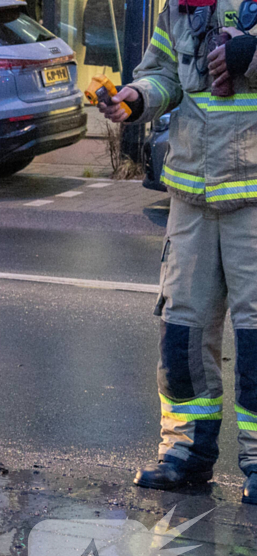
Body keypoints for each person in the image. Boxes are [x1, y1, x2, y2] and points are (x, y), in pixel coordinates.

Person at [100, 0, 257, 503]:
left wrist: (251, 57)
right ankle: (185, 454)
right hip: (191, 194)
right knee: (182, 332)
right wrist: (134, 98)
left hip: (253, 194)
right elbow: (162, 73)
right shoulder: (181, 7)